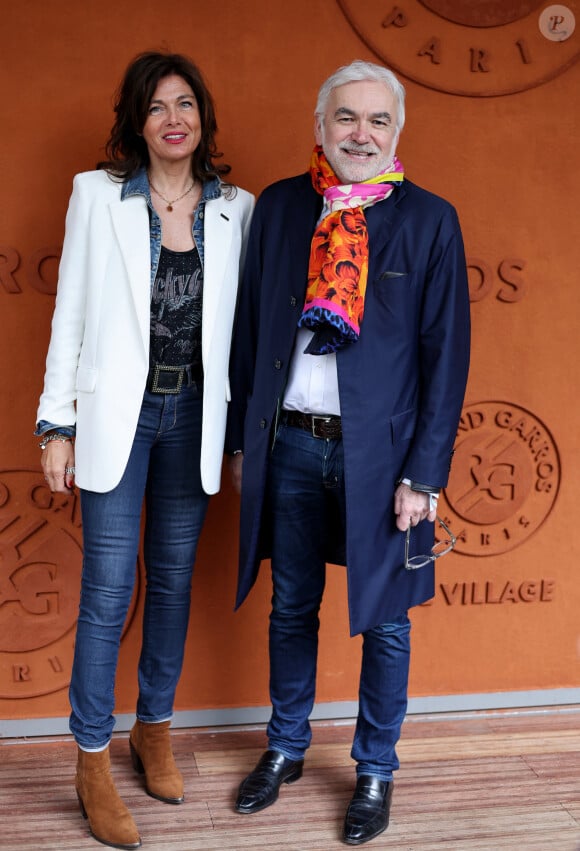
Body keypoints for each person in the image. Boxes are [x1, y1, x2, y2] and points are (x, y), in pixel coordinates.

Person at [225, 60, 470, 845]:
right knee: (291, 604)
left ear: (397, 132)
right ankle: (286, 745)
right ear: (320, 125)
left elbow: (445, 357)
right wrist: (241, 442)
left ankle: (374, 767)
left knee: (387, 622)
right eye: (346, 118)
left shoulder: (431, 220)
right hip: (290, 444)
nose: (360, 134)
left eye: (378, 121)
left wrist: (424, 476)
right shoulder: (281, 206)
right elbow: (249, 332)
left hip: (384, 461)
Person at [36, 51, 253, 850]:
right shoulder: (97, 197)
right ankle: (91, 758)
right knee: (107, 591)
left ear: (202, 117)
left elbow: (243, 341)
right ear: (137, 120)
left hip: (193, 415)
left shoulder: (238, 209)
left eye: (186, 103)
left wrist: (235, 439)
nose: (173, 118)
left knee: (172, 585)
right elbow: (70, 313)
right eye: (157, 105)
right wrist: (56, 423)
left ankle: (151, 730)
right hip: (117, 419)